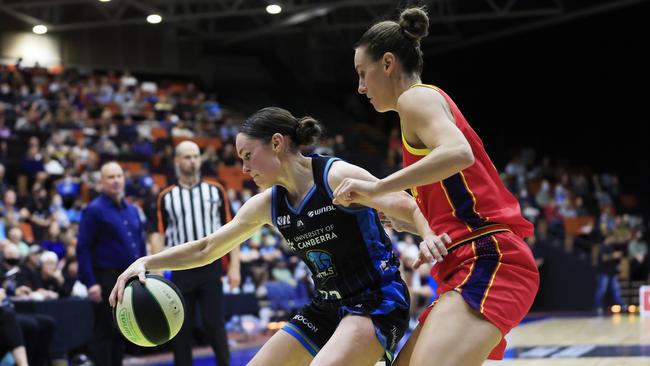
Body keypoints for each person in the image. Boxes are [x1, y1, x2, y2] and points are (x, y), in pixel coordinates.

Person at [111, 107, 450, 366]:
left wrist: (427, 235)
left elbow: (405, 203)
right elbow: (208, 247)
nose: (244, 168)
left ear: (276, 143)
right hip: (326, 306)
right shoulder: (268, 204)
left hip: (377, 301)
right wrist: (145, 261)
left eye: (248, 156)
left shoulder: (335, 176)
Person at [333, 7, 539, 365]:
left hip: (487, 258)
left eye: (363, 74)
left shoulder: (416, 98)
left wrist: (378, 188)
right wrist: (417, 226)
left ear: (387, 63)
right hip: (467, 258)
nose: (361, 87)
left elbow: (458, 153)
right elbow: (457, 198)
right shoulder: (419, 107)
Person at [153, 140, 241, 366]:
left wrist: (234, 266)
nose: (192, 161)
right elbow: (158, 235)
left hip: (211, 266)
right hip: (180, 269)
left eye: (195, 156)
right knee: (180, 328)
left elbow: (232, 231)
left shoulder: (216, 190)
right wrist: (157, 271)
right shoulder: (166, 196)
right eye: (187, 156)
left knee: (215, 324)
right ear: (177, 161)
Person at [76, 162, 147, 366]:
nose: (116, 180)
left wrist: (145, 272)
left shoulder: (133, 210)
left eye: (118, 176)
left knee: (122, 331)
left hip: (130, 278)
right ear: (101, 182)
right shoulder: (93, 210)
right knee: (104, 333)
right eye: (110, 177)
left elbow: (140, 245)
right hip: (105, 278)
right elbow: (84, 248)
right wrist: (90, 282)